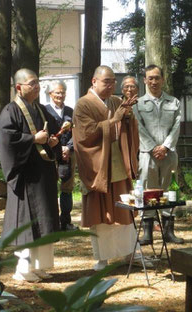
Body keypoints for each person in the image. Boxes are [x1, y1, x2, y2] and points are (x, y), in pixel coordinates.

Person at [73, 65, 139, 271]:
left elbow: (128, 126)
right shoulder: (83, 104)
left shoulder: (116, 101)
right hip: (98, 164)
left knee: (124, 209)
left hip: (117, 162)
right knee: (100, 213)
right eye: (106, 81)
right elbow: (85, 135)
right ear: (94, 81)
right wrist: (114, 120)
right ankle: (102, 258)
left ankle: (129, 253)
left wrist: (127, 117)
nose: (111, 85)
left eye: (113, 81)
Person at [0, 68, 61, 282]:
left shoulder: (41, 109)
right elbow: (8, 140)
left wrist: (52, 141)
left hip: (43, 173)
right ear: (19, 87)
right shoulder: (11, 111)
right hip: (25, 175)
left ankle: (39, 266)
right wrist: (33, 139)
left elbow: (49, 134)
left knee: (44, 220)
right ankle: (23, 269)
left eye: (37, 83)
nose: (36, 87)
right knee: (27, 221)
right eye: (32, 84)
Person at [135, 65, 184, 244]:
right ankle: (147, 232)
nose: (154, 81)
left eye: (157, 78)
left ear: (163, 79)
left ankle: (169, 231)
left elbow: (177, 126)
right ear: (145, 80)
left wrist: (165, 146)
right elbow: (138, 128)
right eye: (150, 78)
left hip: (169, 154)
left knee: (169, 190)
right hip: (147, 154)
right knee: (148, 190)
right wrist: (153, 147)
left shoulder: (174, 102)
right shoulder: (138, 104)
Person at [45, 80, 78, 231]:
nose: (60, 95)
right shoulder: (44, 111)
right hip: (50, 155)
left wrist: (68, 147)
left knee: (67, 187)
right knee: (50, 187)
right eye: (57, 92)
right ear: (50, 94)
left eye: (63, 92)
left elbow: (77, 132)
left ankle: (65, 221)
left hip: (68, 154)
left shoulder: (71, 111)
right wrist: (58, 147)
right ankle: (51, 223)